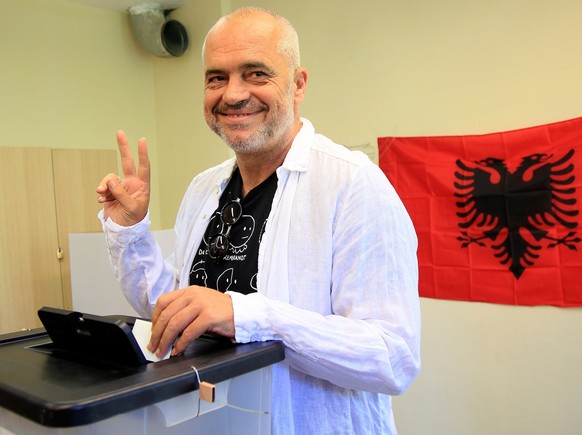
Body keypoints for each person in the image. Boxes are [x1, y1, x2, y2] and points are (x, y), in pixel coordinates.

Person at [96, 6, 420, 434]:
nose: (232, 94)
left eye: (256, 74)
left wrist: (246, 315)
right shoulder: (204, 189)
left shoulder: (353, 185)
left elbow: (391, 358)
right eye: (216, 78)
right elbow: (175, 310)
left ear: (298, 84)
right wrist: (131, 230)